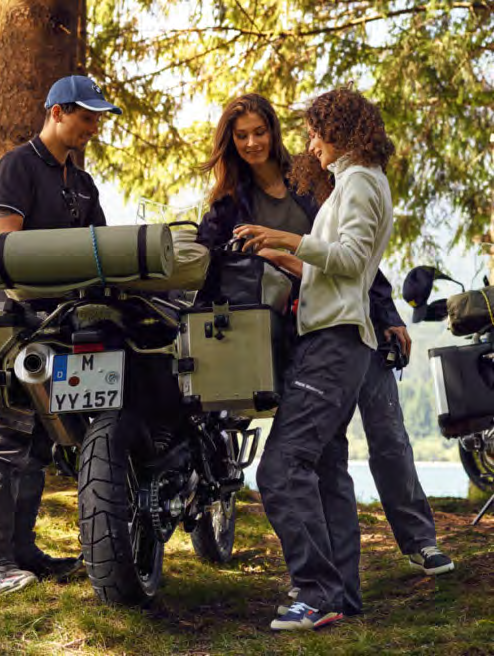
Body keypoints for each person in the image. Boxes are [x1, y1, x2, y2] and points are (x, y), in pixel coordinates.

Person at [197, 91, 453, 615]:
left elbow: (353, 261)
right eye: (240, 136)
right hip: (319, 333)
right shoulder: (339, 185)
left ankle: (316, 593)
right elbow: (327, 266)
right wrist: (278, 253)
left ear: (337, 131)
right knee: (328, 462)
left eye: (315, 132)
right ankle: (342, 595)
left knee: (282, 469)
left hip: (334, 338)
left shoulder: (352, 183)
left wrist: (284, 240)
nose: (309, 144)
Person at [0, 75, 122, 596]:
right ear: (57, 112)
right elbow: (7, 247)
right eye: (87, 115)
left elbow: (101, 249)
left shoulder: (81, 182)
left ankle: (23, 554)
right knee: (3, 443)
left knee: (36, 446)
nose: (94, 125)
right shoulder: (17, 166)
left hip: (59, 327)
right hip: (11, 325)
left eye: (98, 116)